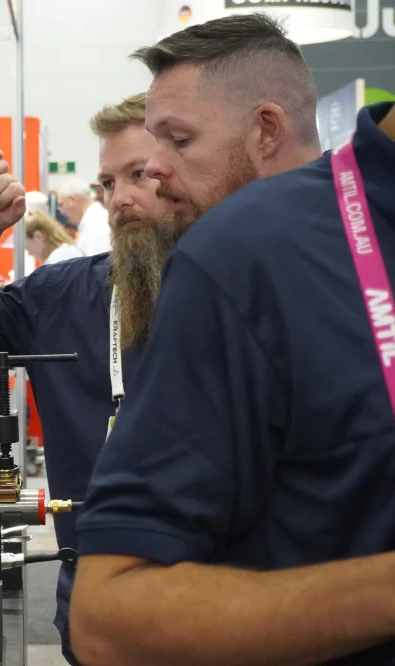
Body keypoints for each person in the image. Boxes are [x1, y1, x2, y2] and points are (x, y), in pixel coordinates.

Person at [67, 16, 395, 666]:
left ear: (267, 130)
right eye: (112, 180)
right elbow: (109, 614)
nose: (152, 173)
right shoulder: (231, 259)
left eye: (178, 141)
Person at [0, 92, 184, 663]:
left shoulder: (235, 291)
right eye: (106, 183)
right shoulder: (61, 296)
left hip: (215, 589)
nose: (118, 198)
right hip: (94, 593)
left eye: (138, 175)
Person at [57, 177, 111, 256]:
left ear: (72, 200)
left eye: (61, 205)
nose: (62, 211)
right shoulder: (94, 221)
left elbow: (100, 266)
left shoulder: (96, 225)